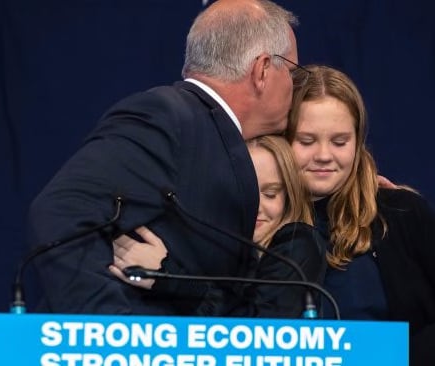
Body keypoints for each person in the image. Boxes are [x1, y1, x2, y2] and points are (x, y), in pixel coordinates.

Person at [28, 0, 303, 314]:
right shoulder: (168, 117)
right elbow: (61, 211)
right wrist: (110, 333)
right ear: (262, 69)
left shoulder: (211, 131)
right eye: (292, 72)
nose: (294, 86)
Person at [286, 65, 435, 365]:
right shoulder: (257, 220)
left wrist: (404, 360)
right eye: (306, 141)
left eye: (340, 142)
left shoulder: (399, 211)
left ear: (358, 141)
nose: (324, 155)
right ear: (280, 139)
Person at [108, 135, 327, 317]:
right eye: (244, 192)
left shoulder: (298, 242)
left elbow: (260, 335)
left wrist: (168, 278)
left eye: (270, 194)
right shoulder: (208, 241)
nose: (255, 206)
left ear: (289, 197)